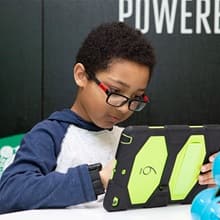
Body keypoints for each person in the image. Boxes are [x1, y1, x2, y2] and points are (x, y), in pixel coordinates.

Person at [0, 22, 216, 214]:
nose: (124, 108)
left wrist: (204, 180)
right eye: (115, 91)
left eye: (136, 97)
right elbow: (9, 192)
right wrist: (99, 179)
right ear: (81, 76)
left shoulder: (131, 141)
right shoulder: (50, 134)